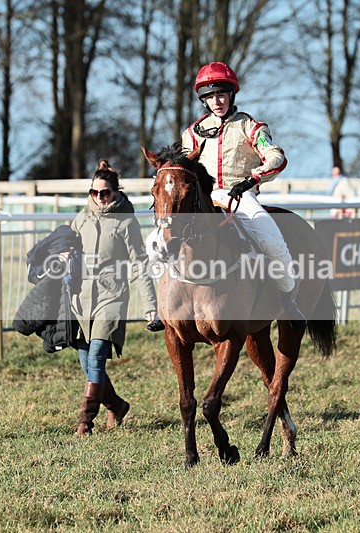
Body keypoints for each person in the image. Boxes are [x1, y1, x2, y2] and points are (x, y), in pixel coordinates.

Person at [181, 61, 305, 329]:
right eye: (211, 96)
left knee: (273, 243)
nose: (217, 101)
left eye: (221, 95)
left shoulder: (250, 127)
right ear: (204, 100)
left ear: (231, 95)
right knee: (157, 241)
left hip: (241, 198)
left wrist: (252, 178)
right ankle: (161, 307)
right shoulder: (191, 134)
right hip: (205, 199)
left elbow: (276, 157)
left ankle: (289, 300)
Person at [69, 160, 159, 435]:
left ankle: (85, 420)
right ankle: (117, 406)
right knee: (86, 362)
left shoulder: (125, 222)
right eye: (94, 192)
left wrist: (150, 305)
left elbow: (140, 262)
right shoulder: (80, 218)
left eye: (105, 193)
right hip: (81, 298)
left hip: (112, 295)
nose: (99, 198)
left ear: (116, 192)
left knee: (96, 355)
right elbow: (68, 252)